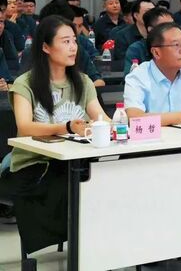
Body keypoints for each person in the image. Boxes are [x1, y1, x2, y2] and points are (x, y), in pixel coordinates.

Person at [6, 15, 110, 255]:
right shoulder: (25, 83)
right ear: (45, 47)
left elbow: (101, 118)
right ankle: (83, 247)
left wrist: (116, 125)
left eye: (74, 40)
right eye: (65, 41)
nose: (73, 47)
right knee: (73, 186)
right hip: (35, 165)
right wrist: (66, 127)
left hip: (74, 161)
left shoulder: (83, 81)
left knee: (109, 180)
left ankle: (102, 248)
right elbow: (25, 127)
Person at [20, 0, 105, 87]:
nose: (74, 30)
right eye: (66, 41)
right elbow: (25, 86)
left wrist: (83, 90)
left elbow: (98, 81)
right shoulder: (32, 53)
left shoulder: (77, 49)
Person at [123, 8, 174, 74]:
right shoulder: (136, 49)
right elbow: (130, 77)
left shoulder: (178, 46)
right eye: (165, 26)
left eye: (173, 25)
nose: (172, 29)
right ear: (151, 29)